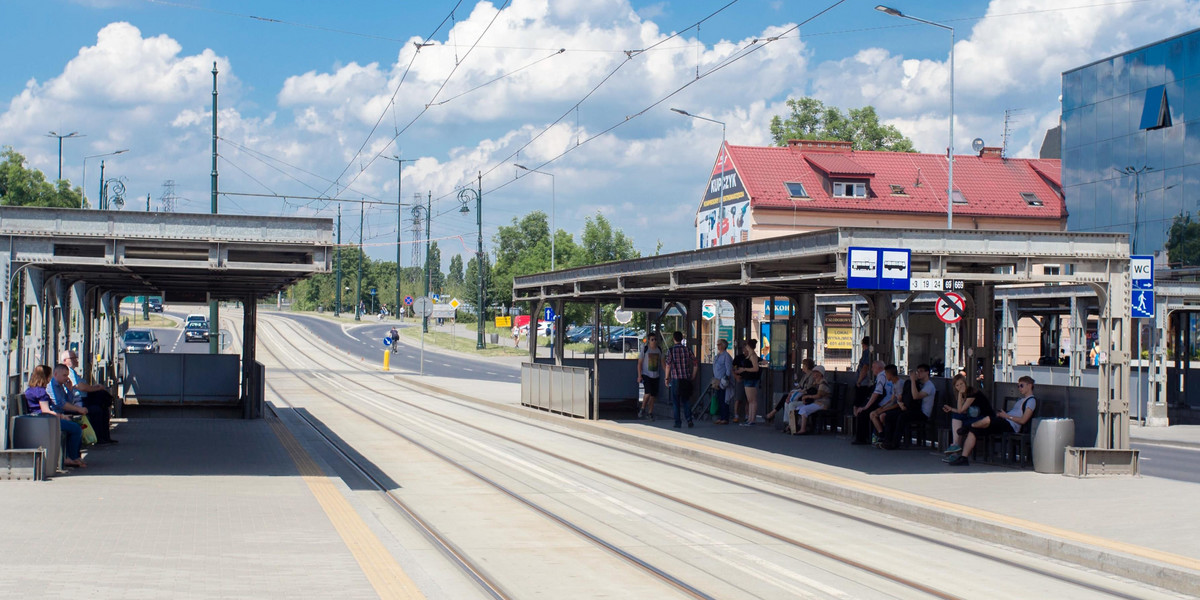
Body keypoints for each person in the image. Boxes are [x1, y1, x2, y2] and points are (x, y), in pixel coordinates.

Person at [948, 376, 1038, 466]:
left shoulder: (1031, 401)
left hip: (1011, 425)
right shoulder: (1021, 400)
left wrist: (1007, 416)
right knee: (974, 431)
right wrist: (1003, 415)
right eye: (1018, 386)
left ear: (1029, 385)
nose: (1019, 388)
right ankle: (964, 457)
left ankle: (968, 427)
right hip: (1003, 420)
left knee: (988, 419)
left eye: (1021, 386)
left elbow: (1023, 420)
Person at [28, 365, 88, 468]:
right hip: (45, 421)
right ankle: (71, 457)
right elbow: (45, 410)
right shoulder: (41, 392)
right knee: (76, 428)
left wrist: (69, 390)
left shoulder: (31, 390)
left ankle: (71, 456)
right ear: (47, 377)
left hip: (38, 420)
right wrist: (61, 416)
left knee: (74, 426)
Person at [58, 350, 117, 444]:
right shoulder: (68, 371)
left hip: (82, 399)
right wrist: (95, 388)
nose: (76, 360)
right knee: (97, 409)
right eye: (72, 358)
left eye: (75, 358)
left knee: (103, 401)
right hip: (77, 401)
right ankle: (100, 437)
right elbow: (80, 386)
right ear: (65, 360)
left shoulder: (73, 372)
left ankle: (104, 437)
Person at [881, 363, 937, 450]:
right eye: (918, 372)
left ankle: (895, 443)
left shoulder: (929, 386)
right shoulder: (920, 384)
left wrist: (913, 381)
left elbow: (916, 396)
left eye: (921, 371)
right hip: (914, 410)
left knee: (902, 417)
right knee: (889, 416)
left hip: (923, 413)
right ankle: (887, 440)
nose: (919, 373)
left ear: (927, 373)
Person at [940, 374, 994, 458]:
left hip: (984, 418)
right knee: (956, 416)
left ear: (965, 383)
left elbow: (961, 410)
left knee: (959, 418)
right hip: (973, 416)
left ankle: (956, 446)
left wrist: (959, 395)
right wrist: (951, 409)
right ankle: (955, 446)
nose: (960, 387)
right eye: (957, 385)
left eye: (961, 384)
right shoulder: (963, 394)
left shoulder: (972, 393)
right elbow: (961, 410)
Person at [663, 331, 697, 429]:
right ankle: (689, 419)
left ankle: (678, 422)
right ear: (682, 339)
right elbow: (695, 363)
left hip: (676, 379)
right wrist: (693, 375)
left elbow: (668, 365)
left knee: (676, 401)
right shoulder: (687, 350)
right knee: (686, 400)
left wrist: (666, 378)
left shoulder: (671, 351)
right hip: (686, 379)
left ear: (674, 339)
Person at [851, 360, 887, 445]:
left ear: (879, 368)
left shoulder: (882, 376)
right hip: (883, 402)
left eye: (873, 367)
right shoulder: (882, 376)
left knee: (863, 413)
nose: (871, 369)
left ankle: (862, 438)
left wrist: (865, 407)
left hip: (883, 403)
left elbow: (877, 393)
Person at [787, 366, 830, 435]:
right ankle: (796, 427)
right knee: (798, 408)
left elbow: (818, 395)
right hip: (815, 402)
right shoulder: (816, 383)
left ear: (820, 373)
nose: (814, 374)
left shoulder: (822, 383)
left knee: (803, 409)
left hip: (822, 403)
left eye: (816, 372)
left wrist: (807, 396)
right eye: (814, 372)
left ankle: (802, 429)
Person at [868, 365, 903, 446]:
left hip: (898, 408)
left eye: (886, 374)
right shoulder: (894, 384)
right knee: (873, 414)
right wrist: (881, 407)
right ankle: (881, 433)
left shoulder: (900, 384)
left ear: (889, 374)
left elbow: (898, 403)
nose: (885, 376)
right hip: (892, 406)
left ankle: (889, 436)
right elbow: (892, 400)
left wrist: (883, 410)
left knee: (882, 416)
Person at [733, 339, 761, 426]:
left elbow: (756, 368)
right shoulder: (750, 355)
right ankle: (750, 418)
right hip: (747, 379)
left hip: (751, 379)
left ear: (749, 346)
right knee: (750, 400)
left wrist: (744, 369)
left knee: (752, 400)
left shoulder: (753, 356)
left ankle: (752, 419)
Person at [637, 333, 663, 421]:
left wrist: (667, 374)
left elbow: (662, 362)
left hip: (656, 375)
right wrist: (639, 376)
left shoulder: (659, 350)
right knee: (647, 393)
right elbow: (639, 363)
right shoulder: (645, 349)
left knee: (653, 396)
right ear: (648, 340)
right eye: (652, 339)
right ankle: (643, 408)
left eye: (655, 339)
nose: (654, 341)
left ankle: (650, 413)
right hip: (646, 374)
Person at [710, 338, 733, 424]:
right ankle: (720, 416)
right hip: (716, 380)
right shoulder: (717, 356)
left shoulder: (726, 356)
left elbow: (728, 368)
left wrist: (726, 378)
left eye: (719, 344)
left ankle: (725, 417)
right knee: (719, 398)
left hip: (723, 381)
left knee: (724, 399)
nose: (718, 346)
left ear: (724, 346)